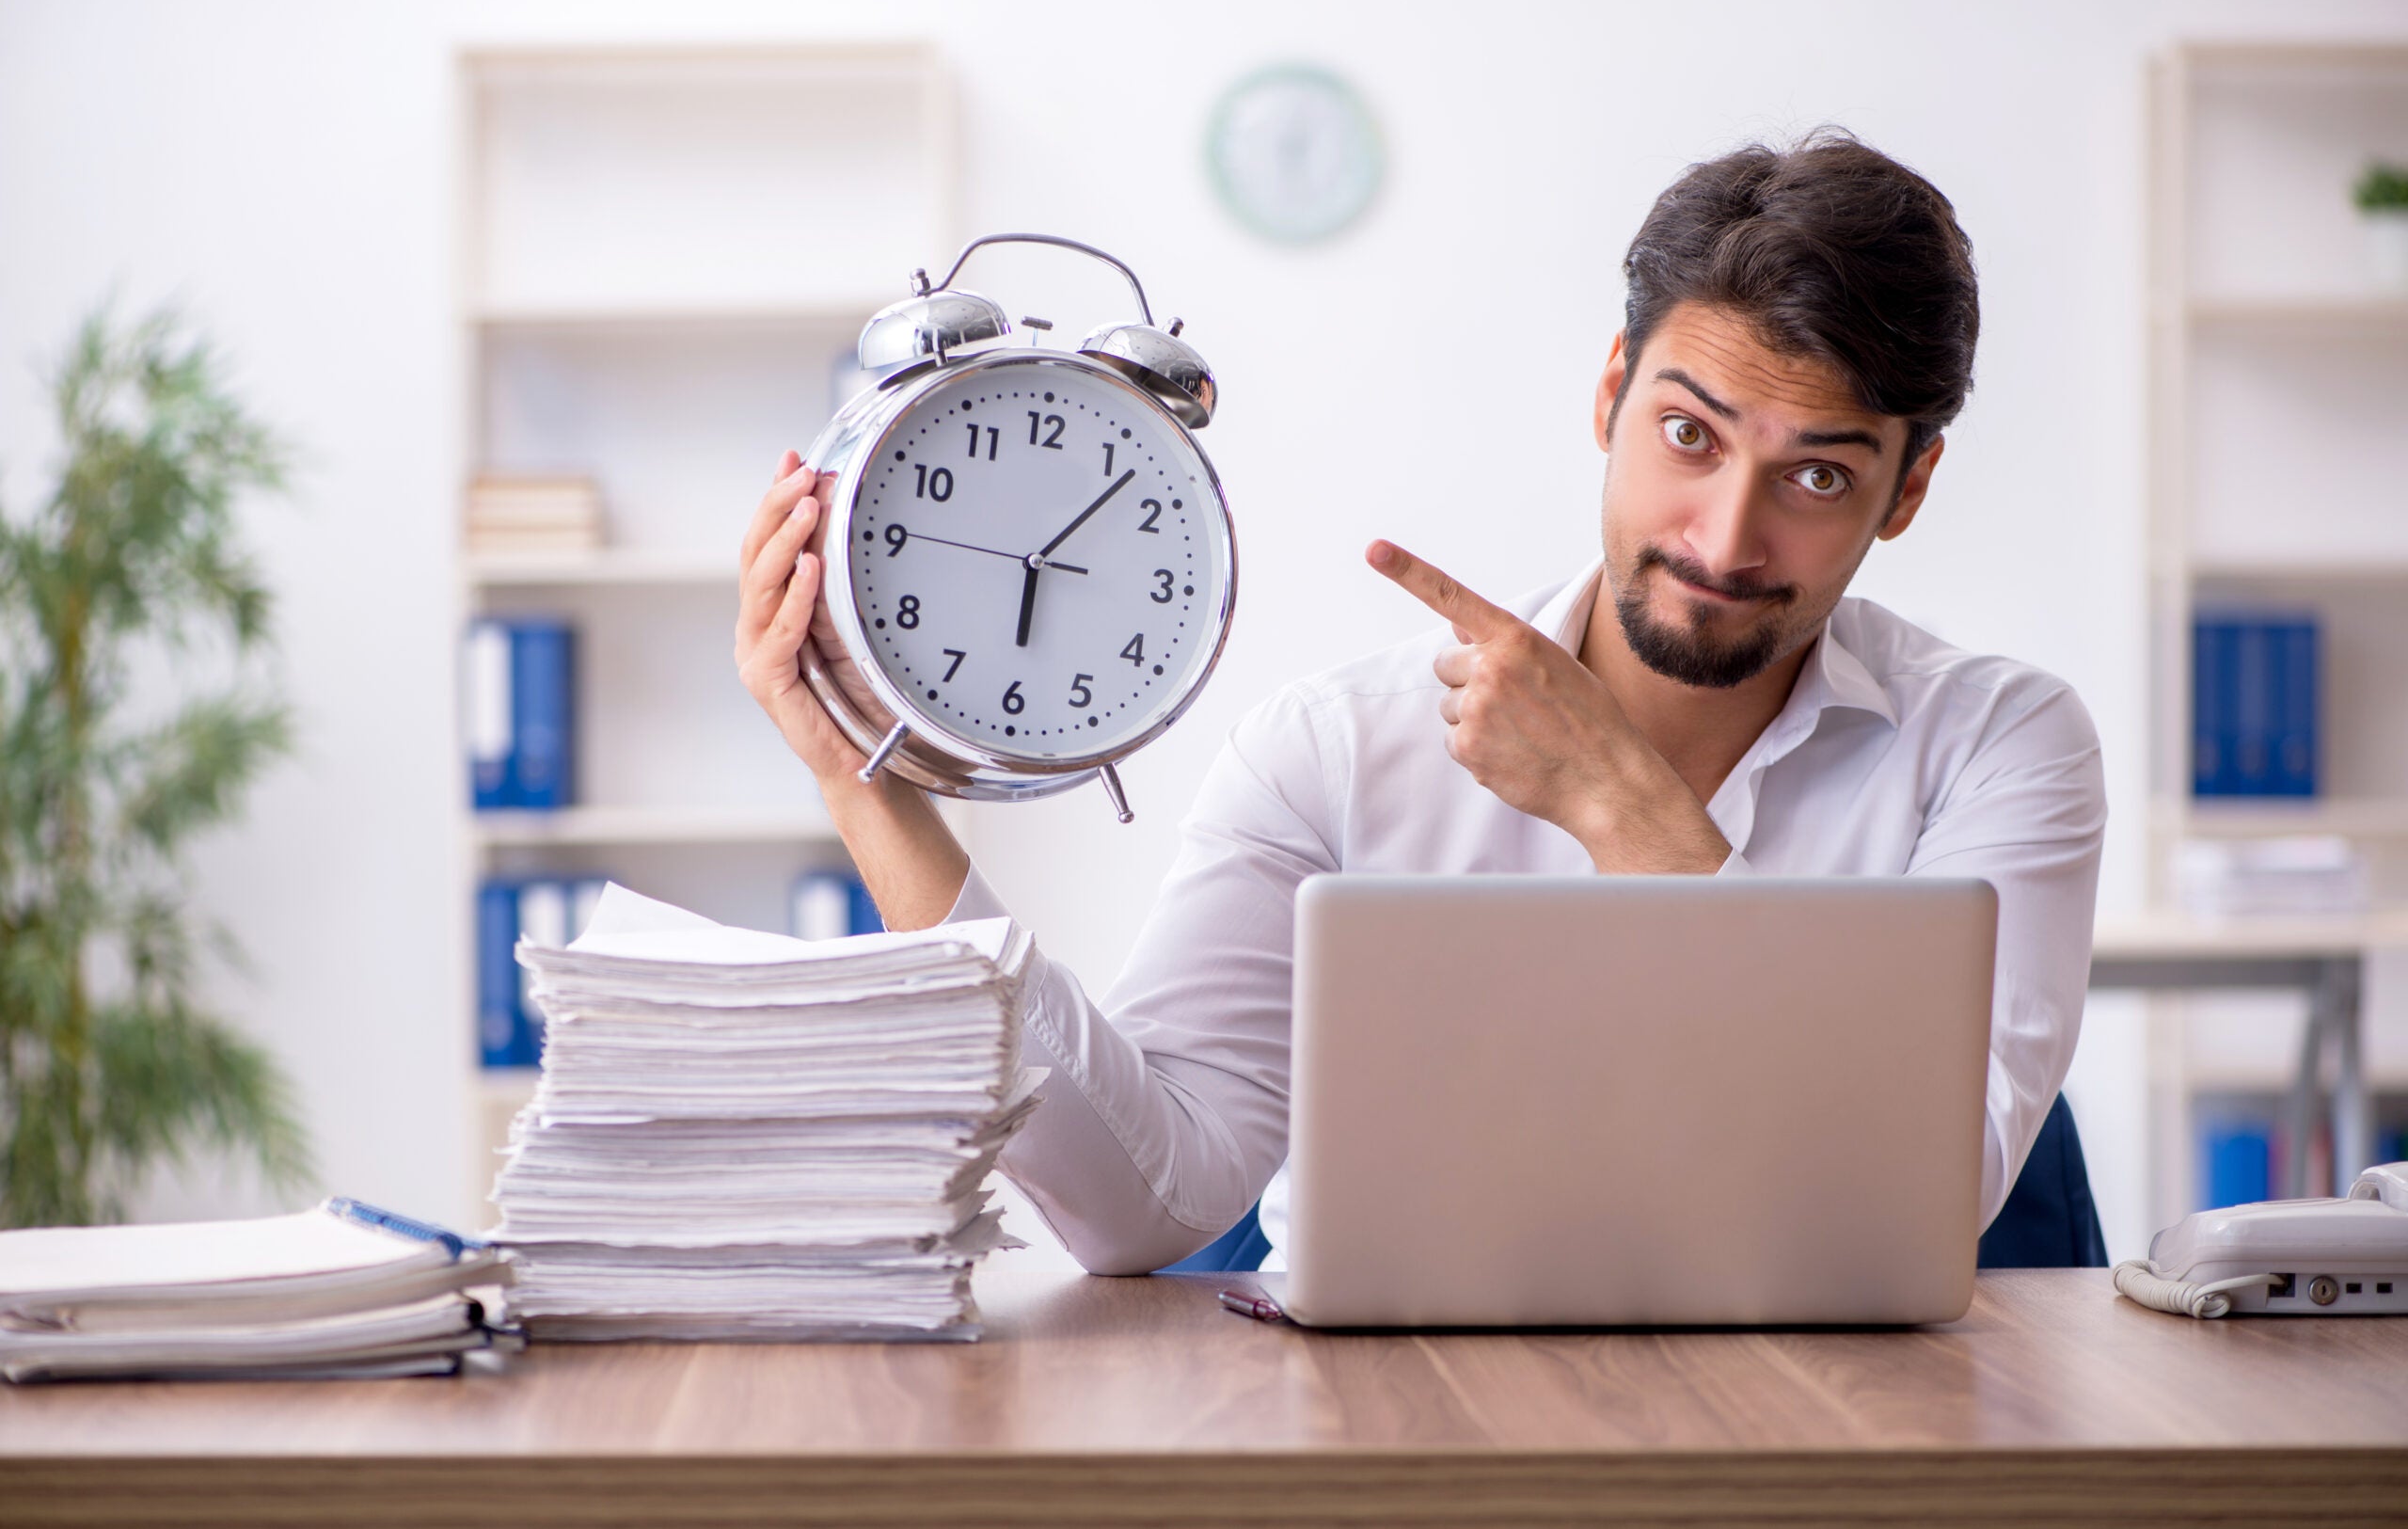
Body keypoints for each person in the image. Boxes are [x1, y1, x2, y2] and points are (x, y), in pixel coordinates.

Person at [735, 129, 2106, 1275]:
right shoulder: (1339, 754)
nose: (1726, 536)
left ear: (1907, 491)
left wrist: (1619, 806)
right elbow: (1136, 1204)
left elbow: (1921, 1198)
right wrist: (864, 783)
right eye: (1689, 435)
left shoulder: (1997, 747)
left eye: (1818, 476)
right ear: (1612, 395)